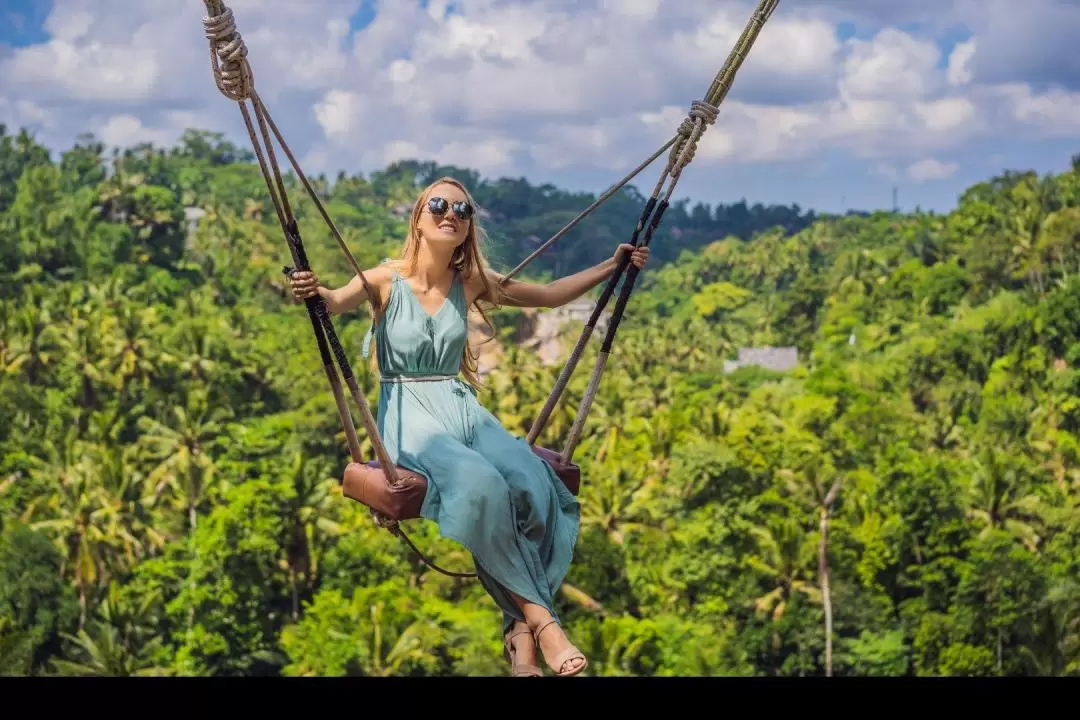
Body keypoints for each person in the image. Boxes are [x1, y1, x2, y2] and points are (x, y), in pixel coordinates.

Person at [288, 177, 649, 677]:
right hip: (407, 409)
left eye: (462, 208)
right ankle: (543, 623)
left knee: (530, 481)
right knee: (481, 485)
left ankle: (518, 634)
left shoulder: (471, 283)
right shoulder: (384, 281)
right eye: (438, 204)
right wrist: (311, 291)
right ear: (418, 216)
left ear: (468, 226)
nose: (450, 213)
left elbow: (546, 296)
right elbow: (331, 302)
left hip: (461, 406)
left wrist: (612, 267)